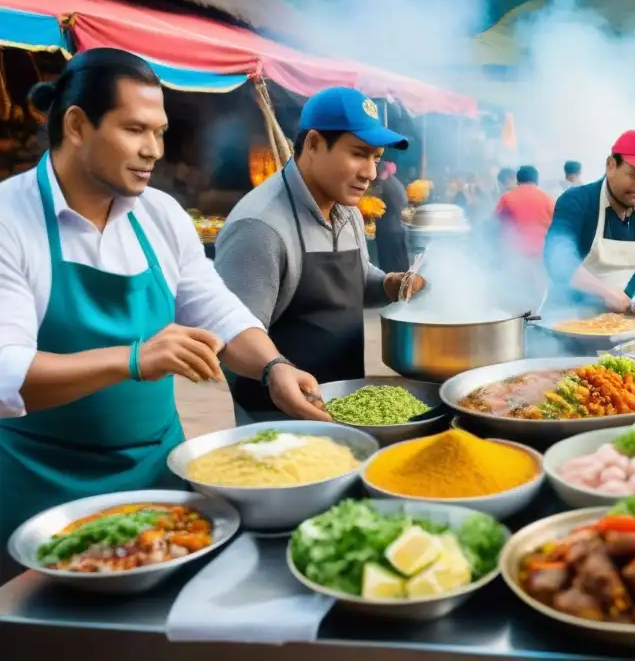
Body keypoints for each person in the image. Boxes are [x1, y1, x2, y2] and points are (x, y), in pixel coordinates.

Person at [0, 49, 324, 563]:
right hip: (44, 496)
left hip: (159, 484)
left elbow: (216, 308)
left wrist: (273, 367)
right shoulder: (9, 220)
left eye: (160, 131)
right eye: (135, 130)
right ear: (78, 125)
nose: (153, 150)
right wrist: (133, 358)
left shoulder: (161, 215)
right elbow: (6, 375)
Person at [214, 87, 425, 424]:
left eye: (376, 157)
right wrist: (275, 371)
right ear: (313, 144)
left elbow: (355, 276)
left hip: (343, 405)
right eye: (358, 153)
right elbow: (230, 333)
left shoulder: (347, 209)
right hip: (277, 418)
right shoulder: (260, 226)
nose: (370, 172)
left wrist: (390, 283)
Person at [545, 130, 635, 311]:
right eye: (634, 175)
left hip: (624, 319)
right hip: (569, 314)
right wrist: (604, 291)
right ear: (611, 165)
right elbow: (558, 258)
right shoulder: (577, 201)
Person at [494, 165, 556, 311]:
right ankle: (537, 317)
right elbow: (557, 226)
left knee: (517, 291)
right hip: (541, 253)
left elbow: (495, 223)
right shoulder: (548, 199)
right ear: (537, 180)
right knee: (539, 290)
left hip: (515, 253)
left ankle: (519, 321)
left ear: (518, 180)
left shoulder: (507, 197)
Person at [373, 160, 410, 273]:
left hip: (387, 230)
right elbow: (404, 202)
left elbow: (376, 204)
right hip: (398, 228)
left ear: (381, 172)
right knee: (401, 263)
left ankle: (390, 287)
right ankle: (404, 286)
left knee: (388, 265)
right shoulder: (396, 183)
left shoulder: (383, 185)